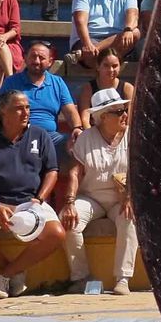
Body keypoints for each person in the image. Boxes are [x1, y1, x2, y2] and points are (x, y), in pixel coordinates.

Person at [0, 90, 65, 299]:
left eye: (27, 107)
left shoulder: (40, 135)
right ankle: (14, 271)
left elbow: (51, 171)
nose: (25, 112)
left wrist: (39, 199)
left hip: (32, 202)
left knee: (56, 233)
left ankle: (3, 275)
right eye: (19, 108)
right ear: (2, 111)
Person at [60, 88, 137, 295]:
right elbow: (75, 174)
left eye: (124, 109)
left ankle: (123, 278)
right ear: (103, 117)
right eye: (118, 111)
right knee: (69, 220)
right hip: (91, 197)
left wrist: (130, 197)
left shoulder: (133, 136)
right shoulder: (86, 138)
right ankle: (81, 277)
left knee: (130, 219)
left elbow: (138, 170)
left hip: (120, 198)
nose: (124, 114)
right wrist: (69, 203)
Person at [0, 41, 81, 165]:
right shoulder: (11, 82)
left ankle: (73, 183)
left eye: (41, 58)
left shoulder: (57, 82)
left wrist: (77, 129)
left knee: (79, 147)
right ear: (25, 58)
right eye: (33, 56)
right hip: (19, 135)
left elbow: (70, 111)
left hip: (50, 138)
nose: (36, 61)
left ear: (50, 62)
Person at [69, 0, 141, 72]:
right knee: (99, 54)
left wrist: (128, 29)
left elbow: (133, 16)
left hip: (115, 43)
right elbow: (80, 21)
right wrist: (87, 45)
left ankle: (83, 56)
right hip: (88, 39)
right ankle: (108, 63)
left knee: (135, 32)